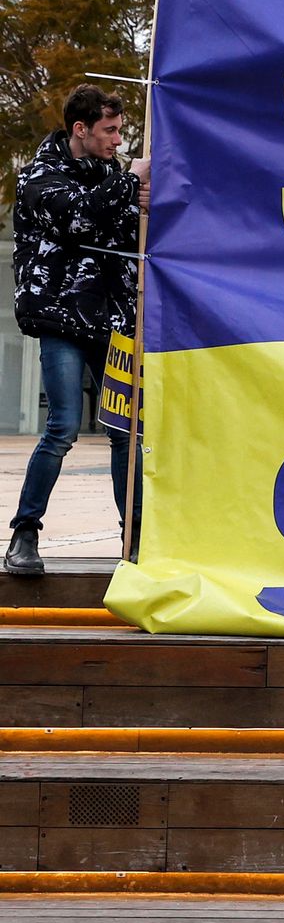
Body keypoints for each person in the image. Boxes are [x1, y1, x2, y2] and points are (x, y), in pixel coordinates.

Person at [7, 84, 147, 575]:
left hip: (110, 320)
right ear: (80, 129)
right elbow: (80, 218)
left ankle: (136, 543)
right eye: (109, 131)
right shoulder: (38, 178)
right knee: (63, 426)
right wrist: (131, 182)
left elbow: (128, 231)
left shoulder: (114, 176)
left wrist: (145, 201)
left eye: (120, 131)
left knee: (126, 432)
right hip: (61, 317)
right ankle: (25, 534)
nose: (117, 141)